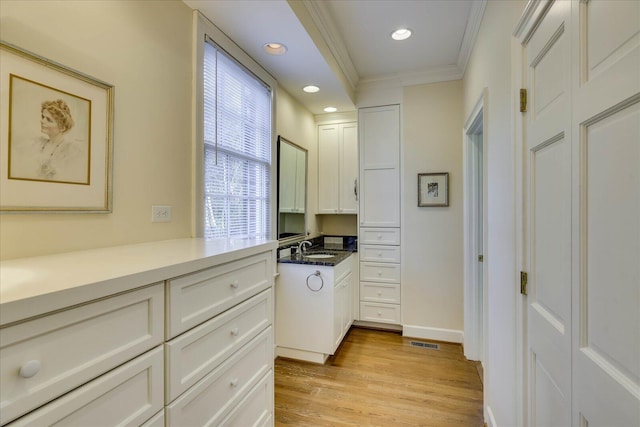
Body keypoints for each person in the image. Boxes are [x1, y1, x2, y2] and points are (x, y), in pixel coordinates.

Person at [10, 99, 88, 184]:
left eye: (48, 120)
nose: (42, 121)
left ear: (62, 127)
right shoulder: (37, 143)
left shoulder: (71, 151)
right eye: (43, 117)